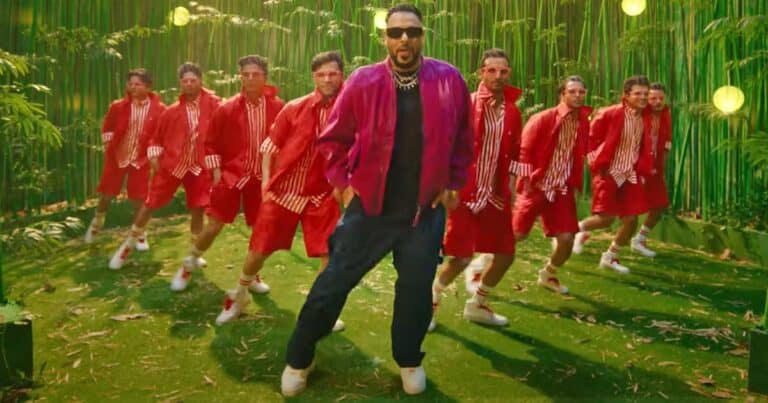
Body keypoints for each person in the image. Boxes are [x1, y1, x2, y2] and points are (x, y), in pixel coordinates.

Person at [280, 4, 472, 397]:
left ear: (422, 36)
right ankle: (300, 357)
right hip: (370, 208)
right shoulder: (364, 80)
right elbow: (333, 140)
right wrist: (344, 184)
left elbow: (464, 137)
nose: (404, 39)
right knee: (333, 283)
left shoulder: (448, 79)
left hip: (423, 211)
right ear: (385, 37)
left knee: (416, 291)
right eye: (396, 32)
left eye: (412, 32)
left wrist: (453, 181)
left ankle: (409, 358)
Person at [213, 51, 344, 330]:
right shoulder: (295, 108)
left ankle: (318, 310)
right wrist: (265, 185)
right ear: (314, 77)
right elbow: (269, 148)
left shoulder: (350, 111)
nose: (327, 79)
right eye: (321, 74)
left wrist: (340, 188)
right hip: (284, 191)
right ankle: (240, 294)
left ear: (341, 75)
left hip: (320, 195)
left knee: (330, 253)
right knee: (259, 248)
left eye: (332, 73)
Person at [169, 55, 283, 292]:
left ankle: (253, 276)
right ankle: (189, 263)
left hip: (260, 179)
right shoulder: (227, 108)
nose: (250, 79)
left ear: (265, 77)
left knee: (259, 229)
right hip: (232, 175)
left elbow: (284, 141)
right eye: (245, 75)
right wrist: (217, 173)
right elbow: (210, 143)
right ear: (240, 77)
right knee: (214, 225)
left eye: (256, 74)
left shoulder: (278, 107)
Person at [430, 48, 522, 331]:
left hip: (495, 195)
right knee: (460, 257)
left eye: (503, 71)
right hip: (465, 193)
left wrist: (513, 184)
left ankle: (477, 304)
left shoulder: (513, 112)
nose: (498, 76)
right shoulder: (465, 104)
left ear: (509, 74)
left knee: (505, 255)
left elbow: (516, 151)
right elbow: (444, 144)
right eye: (492, 70)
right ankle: (429, 301)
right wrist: (444, 184)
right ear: (481, 73)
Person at [108, 62, 220, 270]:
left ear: (200, 81)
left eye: (193, 80)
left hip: (198, 167)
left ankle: (194, 254)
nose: (189, 84)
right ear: (180, 83)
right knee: (150, 203)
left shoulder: (216, 106)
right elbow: (156, 139)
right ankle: (128, 244)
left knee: (198, 208)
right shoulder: (172, 111)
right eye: (185, 81)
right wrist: (153, 155)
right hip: (172, 164)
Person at [510, 75, 593, 293]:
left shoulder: (584, 122)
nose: (577, 96)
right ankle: (482, 265)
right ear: (562, 94)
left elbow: (582, 152)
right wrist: (524, 185)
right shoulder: (542, 119)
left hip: (561, 189)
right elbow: (523, 152)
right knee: (517, 235)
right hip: (535, 186)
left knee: (567, 239)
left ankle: (548, 274)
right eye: (572, 92)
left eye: (581, 92)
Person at [572, 75, 654, 274]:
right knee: (606, 219)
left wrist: (644, 168)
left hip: (630, 174)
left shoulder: (645, 117)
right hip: (608, 172)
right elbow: (589, 138)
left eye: (645, 94)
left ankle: (610, 257)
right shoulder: (610, 113)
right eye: (638, 94)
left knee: (631, 220)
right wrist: (594, 161)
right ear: (626, 95)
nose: (643, 98)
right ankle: (576, 230)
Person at [84, 69, 166, 247]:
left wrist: (155, 153)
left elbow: (161, 134)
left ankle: (140, 233)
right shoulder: (118, 106)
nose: (133, 87)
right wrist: (108, 144)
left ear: (148, 87)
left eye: (138, 84)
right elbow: (107, 127)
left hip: (140, 160)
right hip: (117, 157)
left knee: (138, 198)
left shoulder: (159, 110)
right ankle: (97, 222)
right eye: (130, 84)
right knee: (107, 194)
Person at [631, 83, 672, 257]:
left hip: (655, 170)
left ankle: (639, 240)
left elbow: (667, 142)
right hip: (636, 168)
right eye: (653, 98)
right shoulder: (638, 114)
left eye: (661, 98)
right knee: (624, 209)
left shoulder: (666, 115)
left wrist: (661, 166)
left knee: (659, 205)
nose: (657, 101)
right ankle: (581, 230)